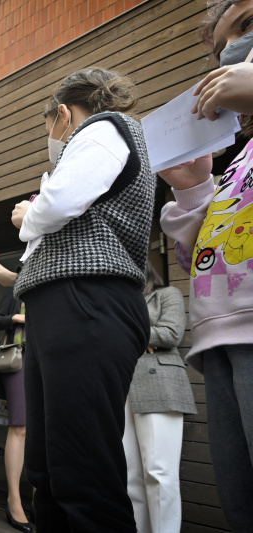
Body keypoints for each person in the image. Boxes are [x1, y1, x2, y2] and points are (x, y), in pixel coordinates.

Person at [0, 67, 155, 531]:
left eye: (49, 131)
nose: (52, 142)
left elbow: (56, 204)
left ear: (62, 114)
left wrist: (28, 213)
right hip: (66, 304)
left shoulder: (104, 128)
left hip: (89, 300)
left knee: (82, 472)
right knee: (50, 470)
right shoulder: (112, 138)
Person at [156, 1, 253, 527]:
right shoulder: (240, 160)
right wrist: (193, 188)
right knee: (239, 498)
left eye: (246, 25)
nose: (233, 52)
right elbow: (204, 252)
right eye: (222, 49)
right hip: (217, 339)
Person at [122, 261, 196, 533]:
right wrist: (143, 340)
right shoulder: (119, 303)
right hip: (122, 385)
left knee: (159, 471)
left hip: (159, 382)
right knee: (130, 475)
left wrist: (127, 336)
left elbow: (171, 333)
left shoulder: (168, 294)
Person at [0, 284, 32, 533]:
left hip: (49, 358)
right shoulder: (18, 286)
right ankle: (14, 500)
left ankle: (40, 500)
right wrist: (18, 317)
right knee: (20, 426)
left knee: (44, 430)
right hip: (19, 357)